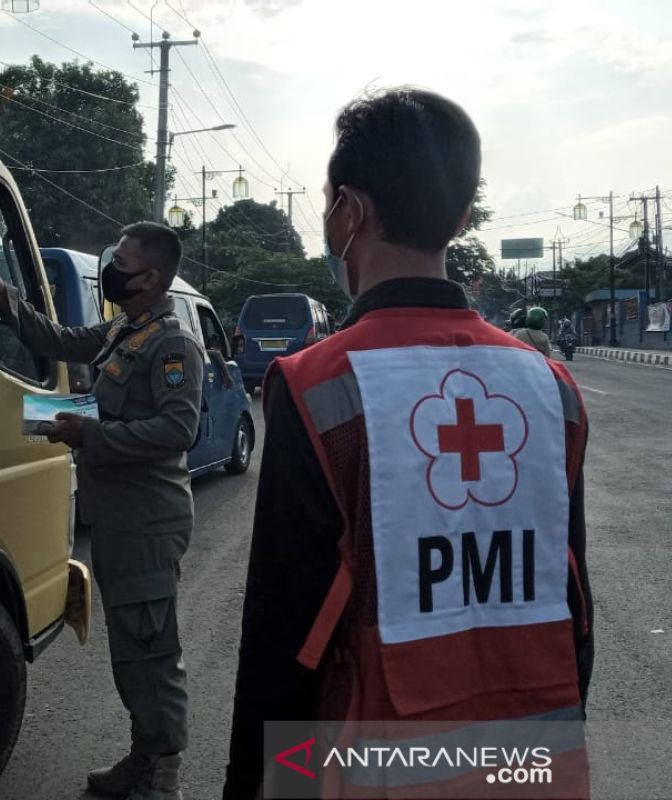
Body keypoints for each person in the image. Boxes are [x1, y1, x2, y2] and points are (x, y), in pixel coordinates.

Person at [223, 88, 593, 800]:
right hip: (534, 771)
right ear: (460, 218)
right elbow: (574, 610)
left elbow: (283, 637)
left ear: (348, 212)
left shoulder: (315, 386)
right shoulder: (552, 389)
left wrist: (259, 789)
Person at [0, 222, 204, 800]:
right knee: (131, 650)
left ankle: (161, 777)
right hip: (121, 518)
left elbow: (180, 429)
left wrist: (90, 436)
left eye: (122, 260)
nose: (113, 268)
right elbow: (63, 339)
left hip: (148, 522)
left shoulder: (171, 343)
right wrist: (6, 300)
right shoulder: (127, 328)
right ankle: (142, 757)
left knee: (150, 653)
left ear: (150, 277)